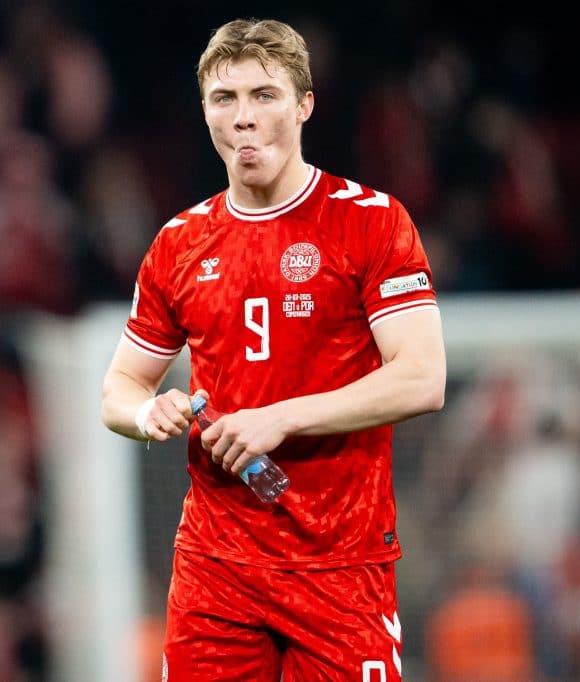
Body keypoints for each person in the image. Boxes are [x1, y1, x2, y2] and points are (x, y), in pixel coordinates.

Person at [100, 18, 446, 681]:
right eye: (224, 99)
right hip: (216, 567)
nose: (244, 118)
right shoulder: (180, 242)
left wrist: (283, 416)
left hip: (341, 562)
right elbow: (119, 388)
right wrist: (150, 416)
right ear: (205, 112)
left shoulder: (370, 221)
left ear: (305, 105)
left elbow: (422, 380)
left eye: (265, 95)